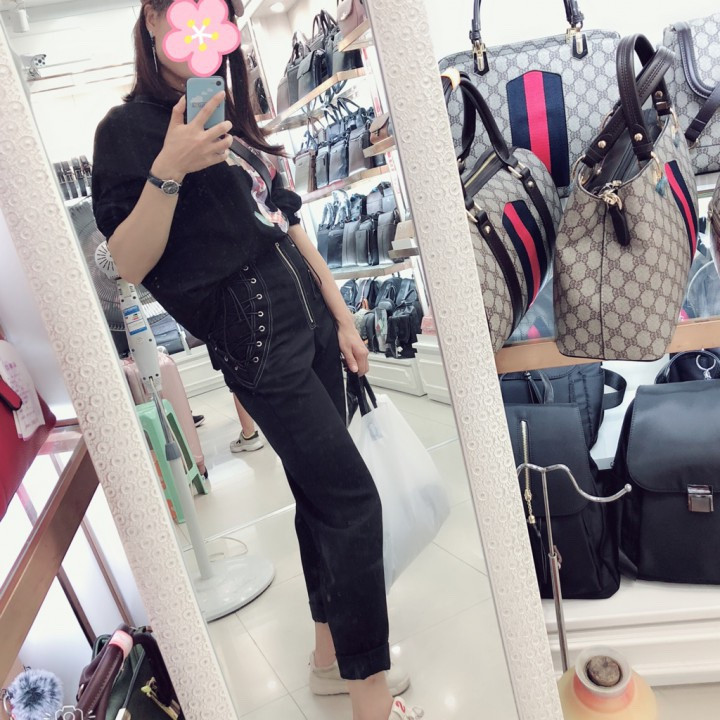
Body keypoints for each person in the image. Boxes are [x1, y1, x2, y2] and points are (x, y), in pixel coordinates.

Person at [90, 2, 419, 718]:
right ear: (153, 19)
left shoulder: (226, 114)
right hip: (254, 331)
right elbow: (125, 264)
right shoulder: (126, 132)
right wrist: (170, 169)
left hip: (303, 308)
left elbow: (286, 222)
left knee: (319, 495)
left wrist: (340, 312)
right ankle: (370, 701)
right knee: (352, 500)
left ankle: (328, 658)